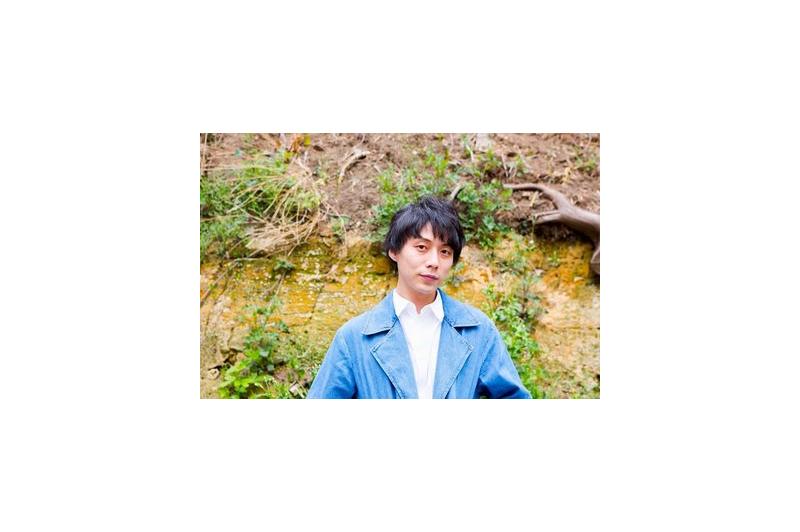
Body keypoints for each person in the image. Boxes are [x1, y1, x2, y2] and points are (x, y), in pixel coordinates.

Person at [307, 196, 531, 399]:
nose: (434, 262)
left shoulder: (478, 331)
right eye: (422, 247)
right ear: (394, 251)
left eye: (445, 252)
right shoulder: (354, 338)